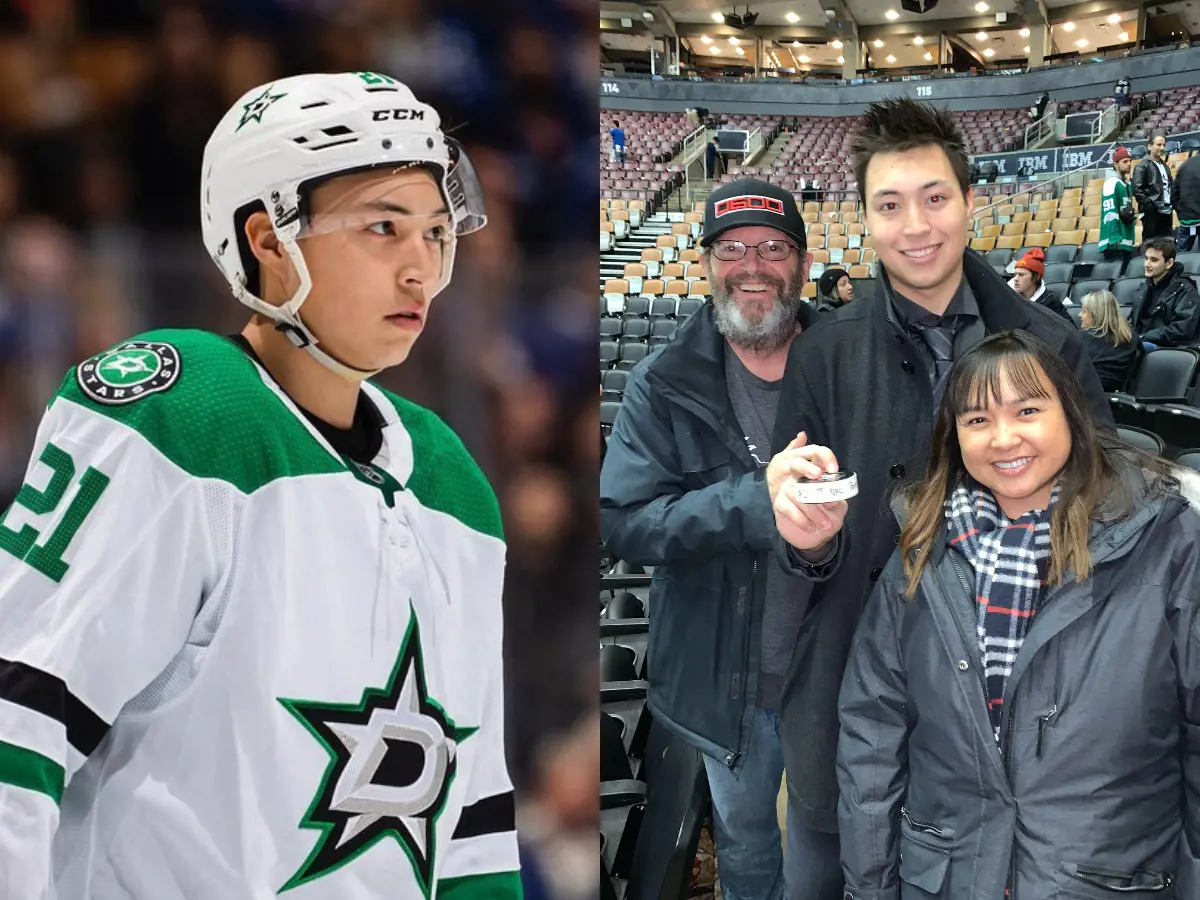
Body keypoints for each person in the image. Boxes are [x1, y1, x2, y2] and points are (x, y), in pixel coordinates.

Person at [0, 73, 522, 898]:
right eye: (384, 229)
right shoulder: (179, 413)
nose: (422, 269)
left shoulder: (455, 485)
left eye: (435, 231)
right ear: (269, 240)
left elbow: (469, 826)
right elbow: (17, 727)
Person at [763, 98, 1112, 854]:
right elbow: (804, 546)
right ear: (863, 217)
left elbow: (1105, 506)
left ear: (968, 202)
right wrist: (805, 535)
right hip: (858, 689)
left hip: (1022, 695)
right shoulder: (821, 357)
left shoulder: (1053, 342)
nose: (915, 227)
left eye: (934, 198)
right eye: (890, 205)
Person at [837, 329, 1200, 900]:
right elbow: (873, 737)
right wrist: (869, 889)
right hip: (948, 878)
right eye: (977, 420)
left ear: (1071, 415)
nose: (1004, 439)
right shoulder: (923, 549)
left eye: (1027, 410)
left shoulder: (1171, 544)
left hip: (1107, 881)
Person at [600, 179, 842, 900]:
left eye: (774, 247)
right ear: (707, 261)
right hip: (726, 677)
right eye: (732, 248)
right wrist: (754, 500)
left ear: (801, 261)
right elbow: (625, 520)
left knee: (832, 849)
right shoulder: (662, 381)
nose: (753, 265)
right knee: (746, 845)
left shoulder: (850, 360)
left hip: (840, 667)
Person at [1131, 235, 1200, 350]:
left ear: (1169, 263)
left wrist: (1143, 337)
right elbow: (1132, 321)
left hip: (1167, 348)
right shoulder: (1145, 286)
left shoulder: (1186, 290)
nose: (1147, 264)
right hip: (1142, 342)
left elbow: (1181, 329)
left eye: (1154, 260)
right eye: (1146, 258)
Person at [1080, 288, 1141, 391]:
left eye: (1084, 311)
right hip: (1114, 398)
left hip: (1083, 394)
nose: (1080, 315)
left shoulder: (1082, 338)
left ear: (1096, 314)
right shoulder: (1132, 337)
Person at [1008, 248, 1072, 322]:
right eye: (1015, 274)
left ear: (1037, 277)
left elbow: (1070, 329)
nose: (1015, 279)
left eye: (1021, 275)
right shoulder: (1007, 296)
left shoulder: (1051, 303)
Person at [1133, 131, 1174, 241]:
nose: (1162, 148)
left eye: (1164, 145)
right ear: (1150, 146)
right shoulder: (1142, 166)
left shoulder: (1164, 166)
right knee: (1151, 243)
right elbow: (1137, 190)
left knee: (1168, 243)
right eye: (1159, 144)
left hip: (1167, 210)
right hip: (1152, 212)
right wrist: (1149, 206)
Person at [1099, 146, 1136, 265]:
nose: (1129, 164)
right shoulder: (1111, 183)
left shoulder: (1126, 184)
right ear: (1115, 164)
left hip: (1125, 241)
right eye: (1125, 161)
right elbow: (1109, 211)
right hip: (1114, 243)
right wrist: (1114, 235)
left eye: (1130, 161)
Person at [1173, 149, 1200, 252]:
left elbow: (1174, 193)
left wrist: (1180, 212)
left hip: (1187, 218)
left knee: (1181, 254)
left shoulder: (1185, 165)